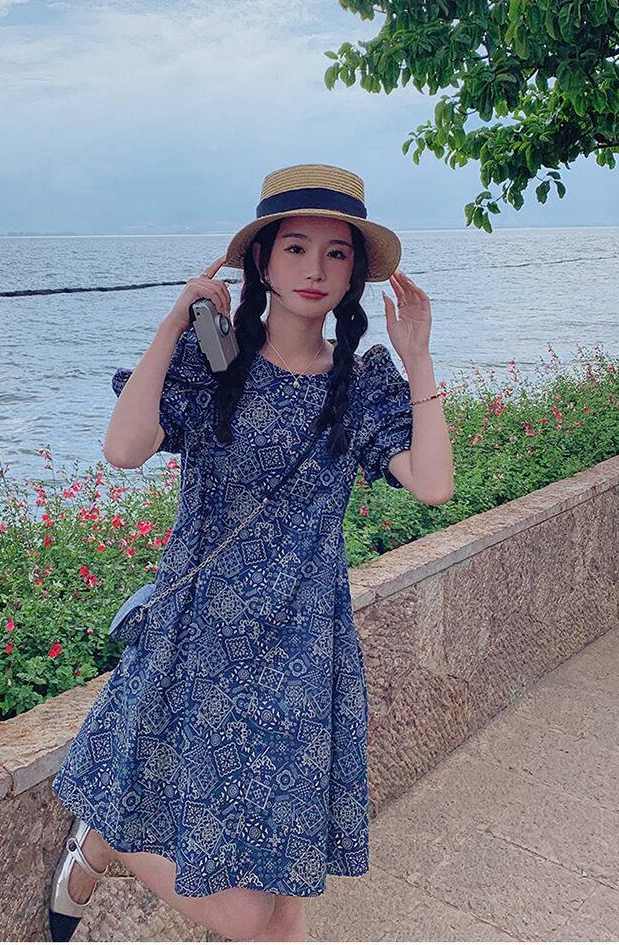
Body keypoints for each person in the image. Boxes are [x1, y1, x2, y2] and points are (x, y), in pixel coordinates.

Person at [48, 163, 453, 942]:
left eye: (336, 253)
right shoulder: (216, 364)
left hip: (304, 655)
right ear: (261, 262)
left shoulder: (362, 383)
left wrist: (420, 359)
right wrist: (173, 326)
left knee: (285, 898)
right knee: (250, 917)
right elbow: (124, 449)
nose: (314, 268)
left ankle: (105, 834)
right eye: (295, 247)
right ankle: (108, 836)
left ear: (355, 274)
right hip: (200, 643)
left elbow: (434, 484)